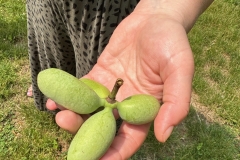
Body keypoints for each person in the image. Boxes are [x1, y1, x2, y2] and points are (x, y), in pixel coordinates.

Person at [27, 0, 214, 159]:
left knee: (87, 71)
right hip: (49, 6)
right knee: (58, 61)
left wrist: (165, 10)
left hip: (114, 15)